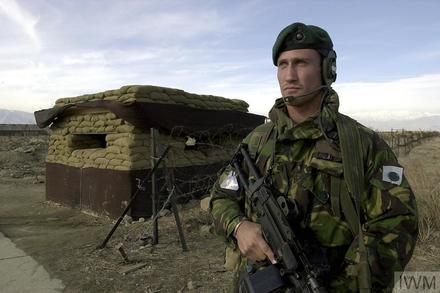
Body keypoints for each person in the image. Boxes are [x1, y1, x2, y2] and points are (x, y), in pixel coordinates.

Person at [208, 22, 418, 292]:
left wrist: (346, 285)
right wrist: (239, 227)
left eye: (301, 63)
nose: (290, 76)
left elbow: (398, 223)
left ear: (327, 69)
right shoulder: (257, 141)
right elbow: (220, 197)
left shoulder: (362, 144)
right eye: (283, 65)